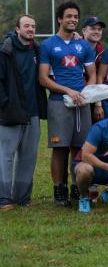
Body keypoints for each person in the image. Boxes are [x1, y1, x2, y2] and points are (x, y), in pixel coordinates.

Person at [39, 1, 96, 207]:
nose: (73, 20)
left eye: (75, 17)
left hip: (82, 103)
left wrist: (85, 92)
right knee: (60, 148)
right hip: (58, 102)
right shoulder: (47, 45)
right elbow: (44, 79)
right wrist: (68, 91)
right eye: (69, 16)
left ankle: (77, 187)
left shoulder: (83, 46)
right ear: (60, 19)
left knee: (80, 148)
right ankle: (59, 190)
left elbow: (92, 74)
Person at [0, 14, 47, 211]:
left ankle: (22, 198)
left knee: (28, 157)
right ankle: (4, 199)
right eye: (26, 26)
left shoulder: (37, 50)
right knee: (5, 157)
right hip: (11, 112)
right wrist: (5, 104)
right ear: (17, 29)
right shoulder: (5, 51)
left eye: (33, 26)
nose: (30, 29)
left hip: (33, 112)